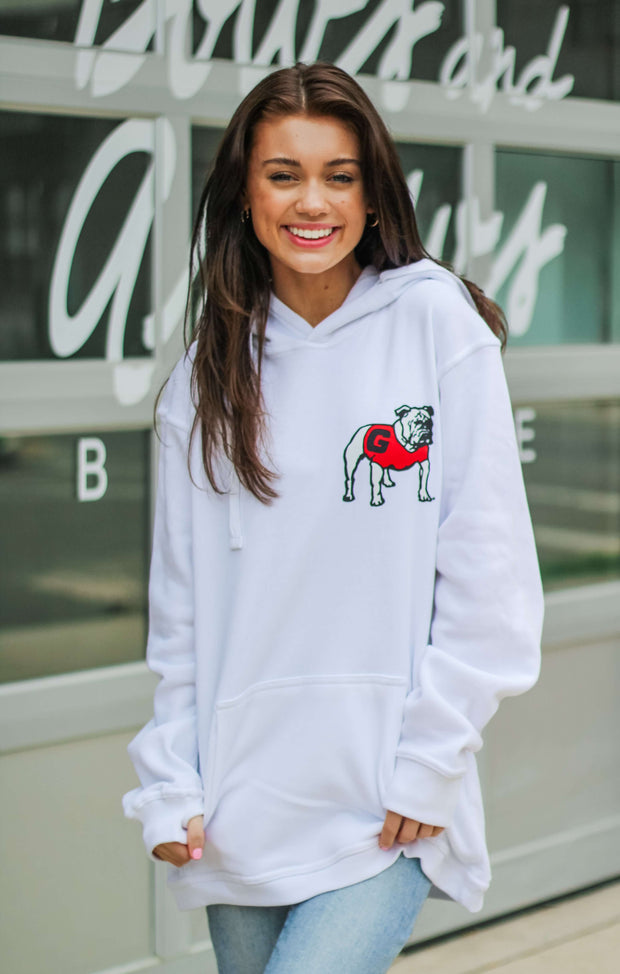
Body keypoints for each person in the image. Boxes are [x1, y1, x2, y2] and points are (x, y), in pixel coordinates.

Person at [122, 61, 544, 973]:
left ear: (373, 193)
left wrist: (431, 760)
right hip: (241, 809)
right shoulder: (207, 377)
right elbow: (182, 613)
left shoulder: (435, 324)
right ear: (245, 194)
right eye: (283, 175)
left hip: (385, 801)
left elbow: (492, 579)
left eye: (339, 176)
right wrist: (169, 783)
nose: (311, 202)